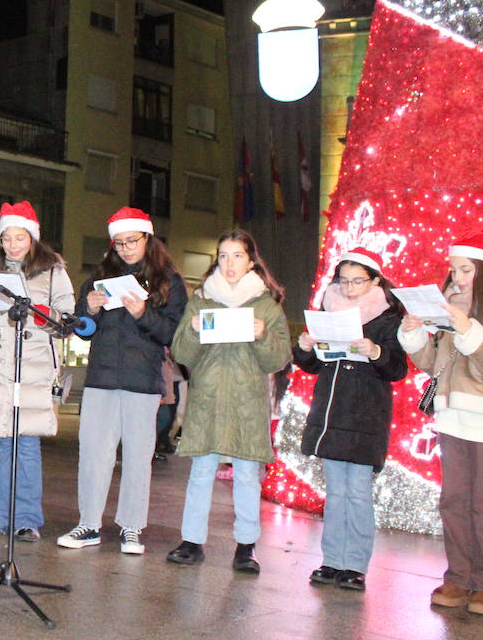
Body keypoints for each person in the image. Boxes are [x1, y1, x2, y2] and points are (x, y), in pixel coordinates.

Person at [398, 234, 483, 617]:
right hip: (451, 413)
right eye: (454, 269)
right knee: (453, 501)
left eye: (465, 270)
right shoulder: (449, 305)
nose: (456, 277)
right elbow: (434, 363)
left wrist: (470, 330)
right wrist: (413, 333)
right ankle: (459, 577)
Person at [59, 207, 187, 554]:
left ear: (148, 238)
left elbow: (172, 332)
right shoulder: (100, 276)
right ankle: (88, 524)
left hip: (142, 379)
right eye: (120, 243)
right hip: (101, 376)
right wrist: (90, 309)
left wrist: (144, 314)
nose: (126, 248)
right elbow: (81, 330)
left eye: (133, 241)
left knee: (136, 455)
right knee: (93, 453)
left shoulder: (168, 281)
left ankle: (131, 527)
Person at [167, 229, 290, 572]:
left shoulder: (266, 305)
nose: (229, 262)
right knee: (201, 473)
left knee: (248, 475)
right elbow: (180, 353)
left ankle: (246, 546)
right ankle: (191, 541)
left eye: (237, 255)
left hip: (247, 404)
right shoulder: (202, 300)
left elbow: (277, 359)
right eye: (223, 255)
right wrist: (191, 330)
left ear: (251, 261)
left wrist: (263, 336)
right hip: (208, 399)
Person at [294, 248, 408, 590]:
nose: (349, 288)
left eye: (358, 281)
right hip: (331, 413)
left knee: (357, 492)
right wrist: (304, 347)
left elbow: (398, 368)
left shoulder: (388, 319)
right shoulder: (327, 312)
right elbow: (313, 365)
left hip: (365, 417)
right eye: (344, 280)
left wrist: (376, 352)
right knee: (336, 493)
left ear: (375, 281)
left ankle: (355, 564)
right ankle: (331, 560)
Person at [0, 201, 75, 541]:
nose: (13, 245)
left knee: (26, 442)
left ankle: (27, 517)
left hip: (33, 364)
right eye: (7, 238)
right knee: (5, 439)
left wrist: (45, 314)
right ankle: (0, 515)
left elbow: (67, 322)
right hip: (1, 364)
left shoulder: (53, 269)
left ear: (32, 237)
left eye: (20, 237)